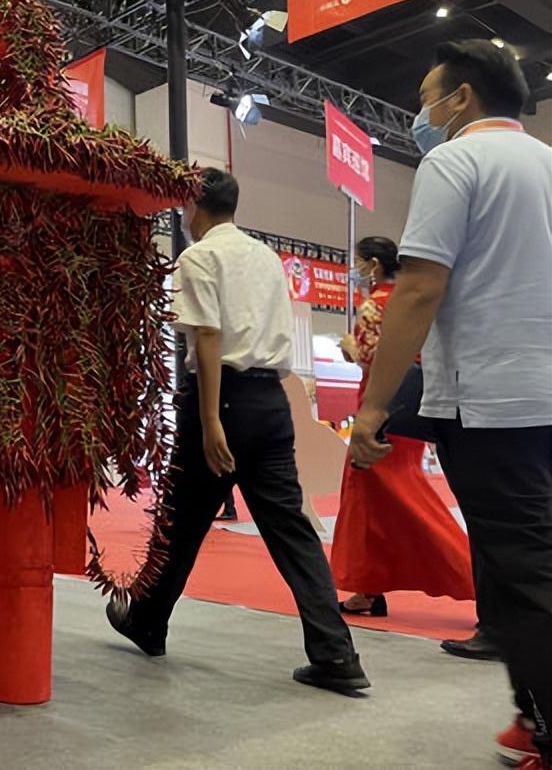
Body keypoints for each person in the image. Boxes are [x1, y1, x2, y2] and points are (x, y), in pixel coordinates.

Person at [349, 40, 551, 769]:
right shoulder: (546, 163)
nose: (423, 114)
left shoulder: (455, 161)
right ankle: (531, 714)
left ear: (462, 97)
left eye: (428, 97)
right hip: (539, 394)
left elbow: (420, 287)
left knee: (525, 574)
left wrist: (372, 408)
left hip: (490, 398)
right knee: (515, 565)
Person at [106, 169, 368, 693]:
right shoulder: (265, 257)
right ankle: (337, 654)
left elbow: (207, 336)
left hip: (221, 398)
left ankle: (148, 620)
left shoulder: (198, 257)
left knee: (180, 521)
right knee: (291, 531)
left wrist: (209, 421)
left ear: (193, 207)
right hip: (270, 400)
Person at [331, 237, 474, 616]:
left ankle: (479, 577)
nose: (357, 269)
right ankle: (367, 588)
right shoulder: (415, 304)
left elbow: (371, 357)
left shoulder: (375, 305)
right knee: (380, 501)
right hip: (409, 409)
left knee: (396, 500)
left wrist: (349, 347)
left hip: (378, 409)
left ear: (375, 265)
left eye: (359, 262)